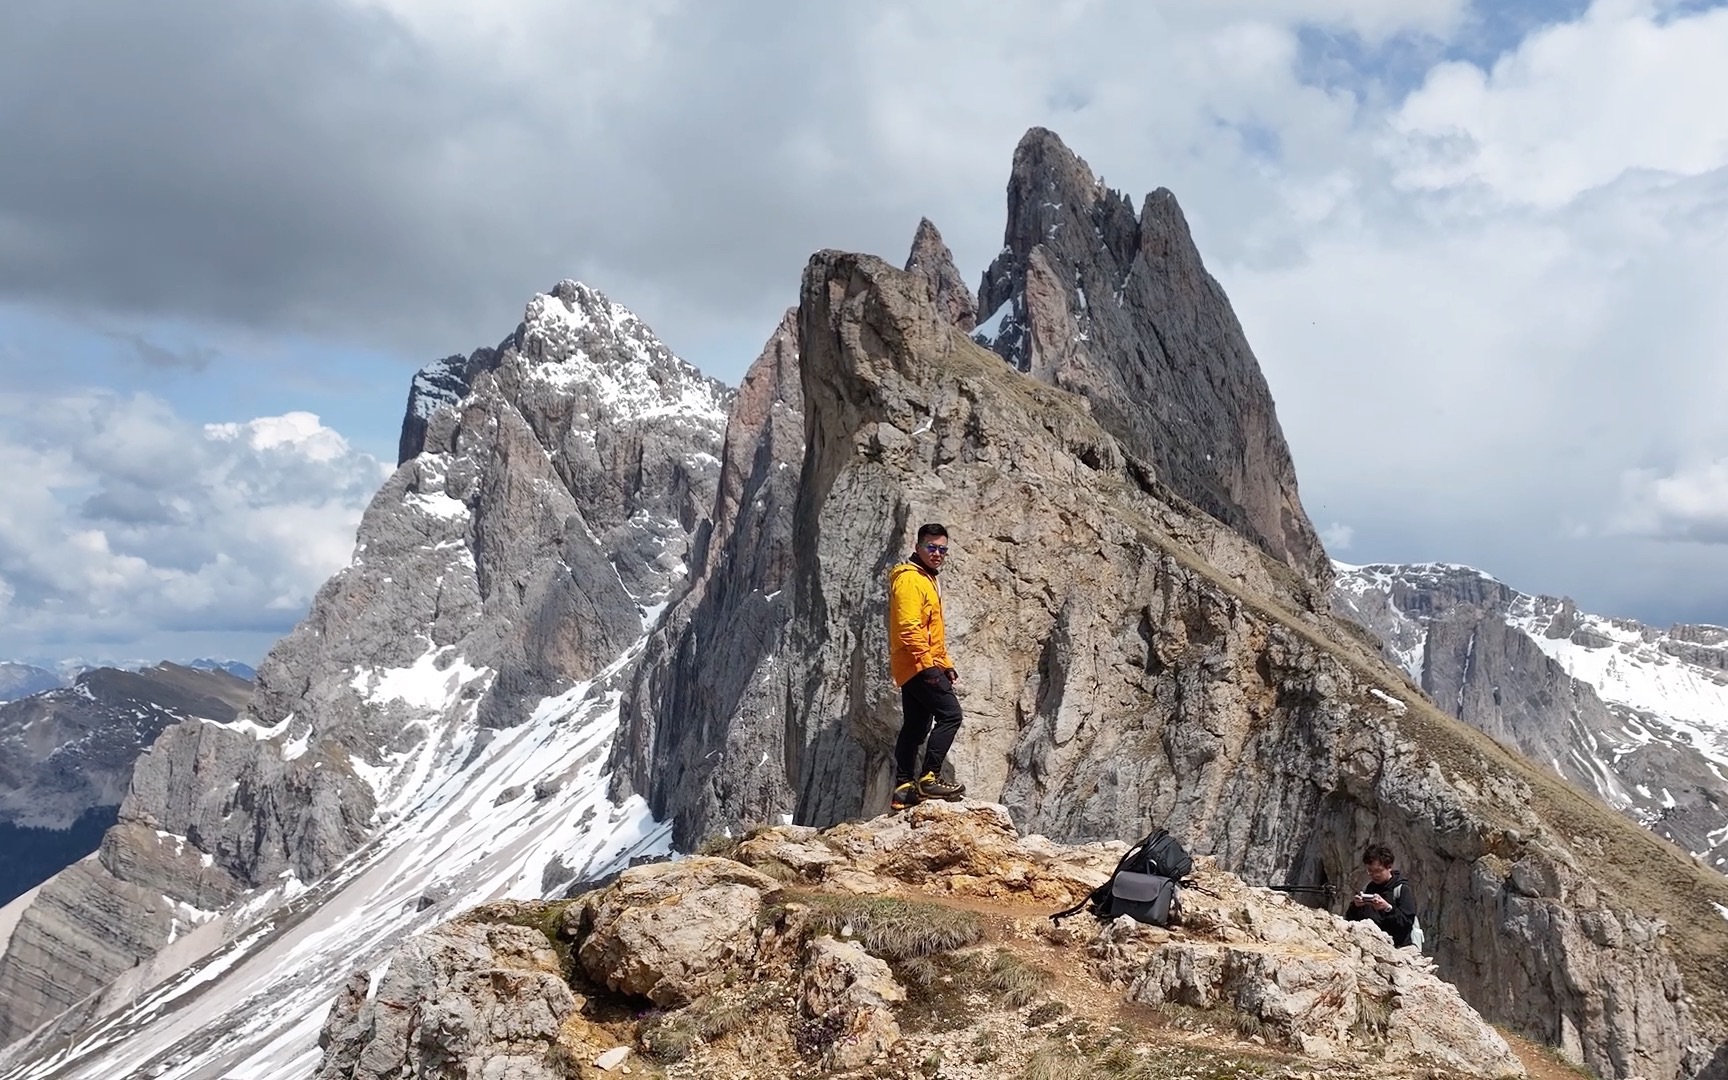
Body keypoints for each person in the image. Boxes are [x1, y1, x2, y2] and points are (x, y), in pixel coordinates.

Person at [886, 523, 967, 810]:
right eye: (931, 548)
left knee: (916, 726)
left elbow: (932, 630)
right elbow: (909, 627)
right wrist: (929, 667)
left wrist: (945, 664)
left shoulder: (925, 578)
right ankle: (929, 778)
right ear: (917, 546)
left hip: (915, 664)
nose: (937, 554)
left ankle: (904, 788)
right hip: (918, 662)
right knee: (951, 715)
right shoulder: (910, 580)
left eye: (942, 549)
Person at [1345, 842, 1418, 947]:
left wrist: (1387, 908)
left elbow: (1406, 923)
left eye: (1378, 871)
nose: (1374, 875)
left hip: (1398, 948)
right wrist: (1356, 906)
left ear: (1389, 867)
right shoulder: (1369, 888)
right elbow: (1351, 919)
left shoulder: (1401, 889)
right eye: (1370, 871)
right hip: (1372, 945)